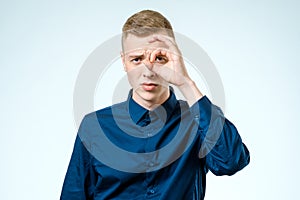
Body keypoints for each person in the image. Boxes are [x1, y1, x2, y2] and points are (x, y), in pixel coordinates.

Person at [60, 10, 250, 200]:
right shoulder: (95, 126)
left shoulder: (197, 119)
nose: (148, 71)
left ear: (174, 59)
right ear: (124, 62)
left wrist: (186, 83)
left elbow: (230, 161)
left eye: (160, 58)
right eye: (136, 59)